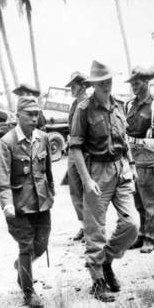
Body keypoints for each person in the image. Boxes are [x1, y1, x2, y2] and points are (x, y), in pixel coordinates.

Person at [69, 60, 138, 302]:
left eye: (109, 80)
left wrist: (131, 163)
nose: (107, 85)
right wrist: (86, 180)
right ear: (93, 84)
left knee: (132, 224)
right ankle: (98, 280)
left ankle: (107, 259)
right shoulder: (84, 109)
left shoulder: (119, 105)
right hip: (97, 171)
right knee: (95, 228)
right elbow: (75, 147)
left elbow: (124, 137)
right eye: (102, 82)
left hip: (121, 169)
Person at [0, 96, 54, 308]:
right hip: (19, 205)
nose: (34, 118)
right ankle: (29, 291)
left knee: (42, 243)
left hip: (42, 202)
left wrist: (52, 193)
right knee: (26, 246)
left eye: (36, 114)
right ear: (18, 115)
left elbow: (47, 170)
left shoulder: (43, 137)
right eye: (29, 114)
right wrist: (7, 204)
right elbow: (2, 180)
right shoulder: (7, 142)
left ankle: (22, 266)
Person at [125, 66, 154, 254]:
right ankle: (142, 233)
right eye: (132, 83)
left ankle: (151, 237)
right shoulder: (129, 104)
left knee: (149, 198)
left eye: (137, 82)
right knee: (137, 198)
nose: (134, 86)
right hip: (132, 156)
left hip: (148, 155)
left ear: (146, 82)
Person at [65, 71, 90, 241]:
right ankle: (83, 227)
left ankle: (92, 229)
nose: (71, 89)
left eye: (74, 85)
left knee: (87, 191)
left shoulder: (89, 104)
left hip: (85, 153)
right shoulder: (74, 104)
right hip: (73, 152)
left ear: (82, 85)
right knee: (75, 190)